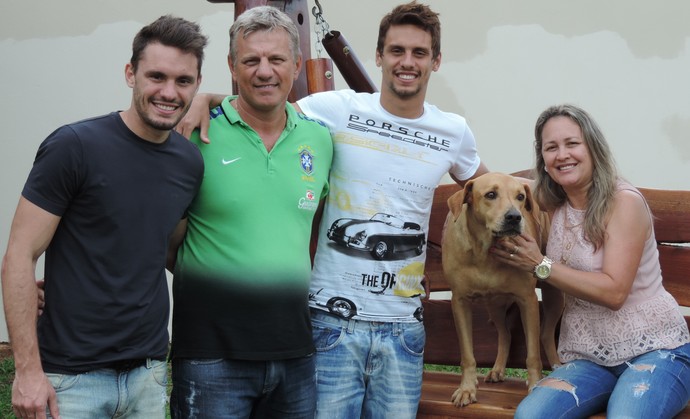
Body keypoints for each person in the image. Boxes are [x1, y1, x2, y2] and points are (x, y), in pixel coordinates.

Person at [177, 2, 490, 417]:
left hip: (404, 327)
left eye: (419, 52)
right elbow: (265, 102)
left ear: (436, 61)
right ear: (378, 56)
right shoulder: (338, 110)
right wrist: (206, 98)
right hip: (331, 324)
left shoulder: (453, 131)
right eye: (396, 50)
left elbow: (491, 191)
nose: (407, 62)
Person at [1, 15, 207, 419]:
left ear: (197, 83)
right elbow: (19, 255)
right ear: (130, 74)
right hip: (70, 379)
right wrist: (27, 372)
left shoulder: (189, 162)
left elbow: (168, 251)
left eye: (184, 81)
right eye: (156, 76)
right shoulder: (75, 147)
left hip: (147, 373)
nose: (169, 92)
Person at [167, 6, 333, 419]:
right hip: (211, 357)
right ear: (231, 66)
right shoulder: (195, 134)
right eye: (251, 60)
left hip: (295, 354)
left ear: (296, 65)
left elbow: (306, 228)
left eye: (276, 59)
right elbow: (165, 241)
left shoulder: (319, 138)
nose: (264, 71)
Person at [492, 104, 690, 418]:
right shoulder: (552, 200)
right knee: (531, 415)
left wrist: (540, 264)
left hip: (656, 352)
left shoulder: (623, 202)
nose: (562, 155)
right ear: (542, 158)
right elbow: (495, 187)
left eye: (572, 143)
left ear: (593, 147)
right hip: (590, 360)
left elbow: (614, 293)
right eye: (551, 147)